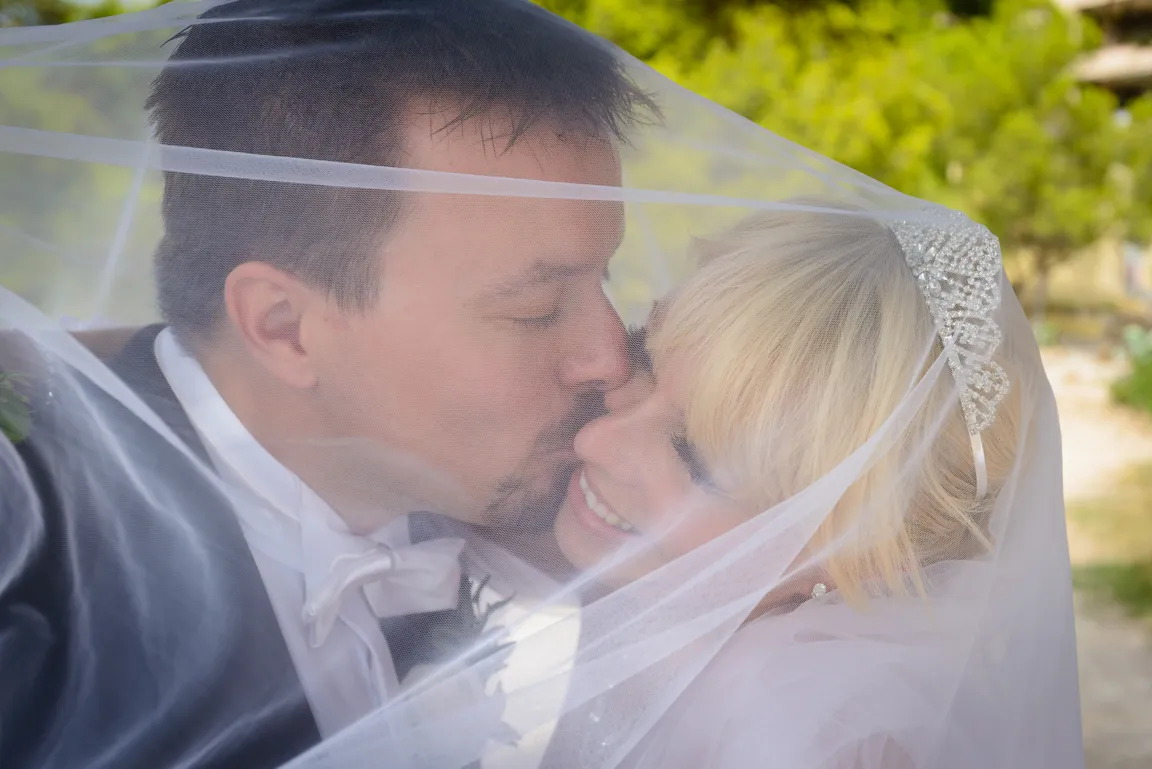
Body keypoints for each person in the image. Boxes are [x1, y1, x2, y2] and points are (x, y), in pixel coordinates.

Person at [0, 1, 654, 767]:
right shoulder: (29, 566)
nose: (611, 356)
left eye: (605, 278)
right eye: (535, 308)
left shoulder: (539, 506)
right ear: (282, 326)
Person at [543, 206, 1080, 768]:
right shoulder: (667, 637)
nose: (596, 442)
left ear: (874, 558)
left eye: (696, 462)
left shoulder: (803, 735)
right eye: (643, 362)